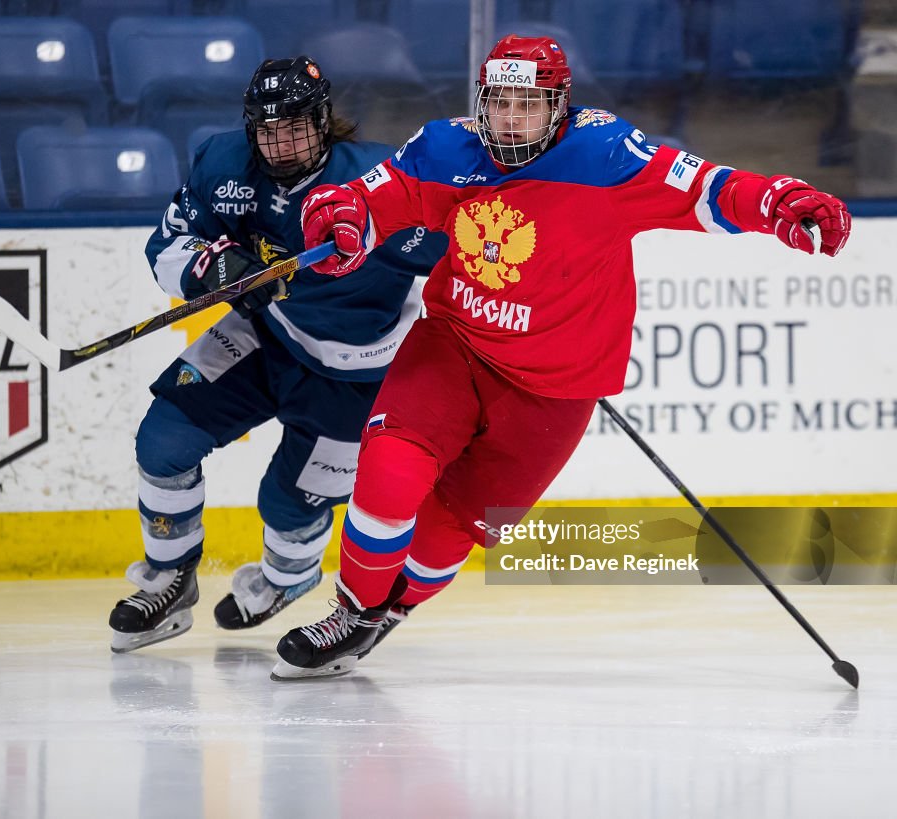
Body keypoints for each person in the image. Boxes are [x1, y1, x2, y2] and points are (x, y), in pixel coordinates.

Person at [271, 34, 852, 679]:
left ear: (560, 106)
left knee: (451, 533)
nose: (511, 118)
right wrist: (344, 217)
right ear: (480, 103)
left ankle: (387, 615)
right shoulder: (446, 146)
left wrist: (777, 203)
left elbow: (709, 190)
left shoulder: (606, 155)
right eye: (499, 103)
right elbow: (373, 196)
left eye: (529, 104)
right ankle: (352, 610)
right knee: (387, 478)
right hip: (455, 347)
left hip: (556, 390)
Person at [107, 56, 447, 653]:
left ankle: (287, 580)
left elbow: (469, 257)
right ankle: (169, 577)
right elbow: (168, 243)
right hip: (268, 336)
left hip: (359, 378)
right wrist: (215, 267)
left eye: (295, 127)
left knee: (288, 506)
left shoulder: (383, 176)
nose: (280, 143)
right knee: (162, 444)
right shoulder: (222, 162)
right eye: (267, 129)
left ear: (323, 122)